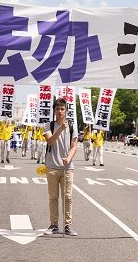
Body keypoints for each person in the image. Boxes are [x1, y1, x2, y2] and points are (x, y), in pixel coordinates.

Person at [43, 98, 78, 236]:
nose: (60, 111)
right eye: (57, 109)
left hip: (67, 167)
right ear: (54, 111)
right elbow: (50, 141)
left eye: (62, 109)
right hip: (52, 166)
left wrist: (68, 158)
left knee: (68, 197)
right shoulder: (48, 125)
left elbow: (74, 146)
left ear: (66, 111)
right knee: (53, 197)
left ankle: (68, 225)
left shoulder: (73, 126)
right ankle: (54, 225)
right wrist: (60, 129)